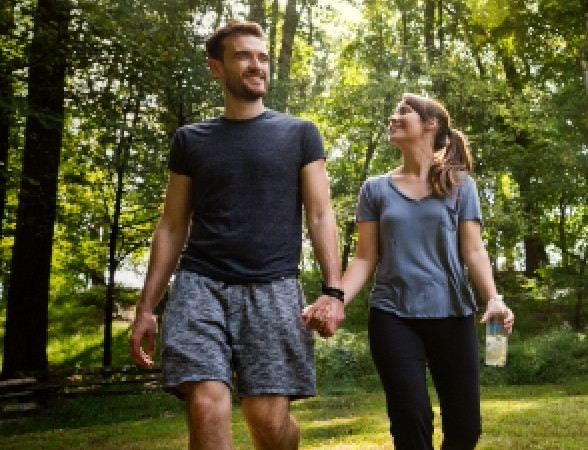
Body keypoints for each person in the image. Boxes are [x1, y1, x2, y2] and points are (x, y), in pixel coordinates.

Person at [128, 20, 344, 450]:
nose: (256, 65)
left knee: (268, 420)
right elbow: (172, 225)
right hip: (199, 284)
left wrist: (333, 292)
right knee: (207, 406)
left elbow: (321, 215)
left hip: (274, 286)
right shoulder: (190, 140)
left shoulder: (300, 133)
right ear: (216, 68)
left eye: (262, 57)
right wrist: (146, 307)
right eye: (243, 56)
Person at [302, 93, 514, 450]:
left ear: (430, 125)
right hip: (393, 315)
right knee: (410, 420)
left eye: (404, 112)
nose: (393, 117)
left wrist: (493, 299)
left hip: (452, 313)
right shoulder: (375, 189)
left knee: (465, 429)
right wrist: (336, 297)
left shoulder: (460, 185)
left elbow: (473, 249)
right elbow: (365, 259)